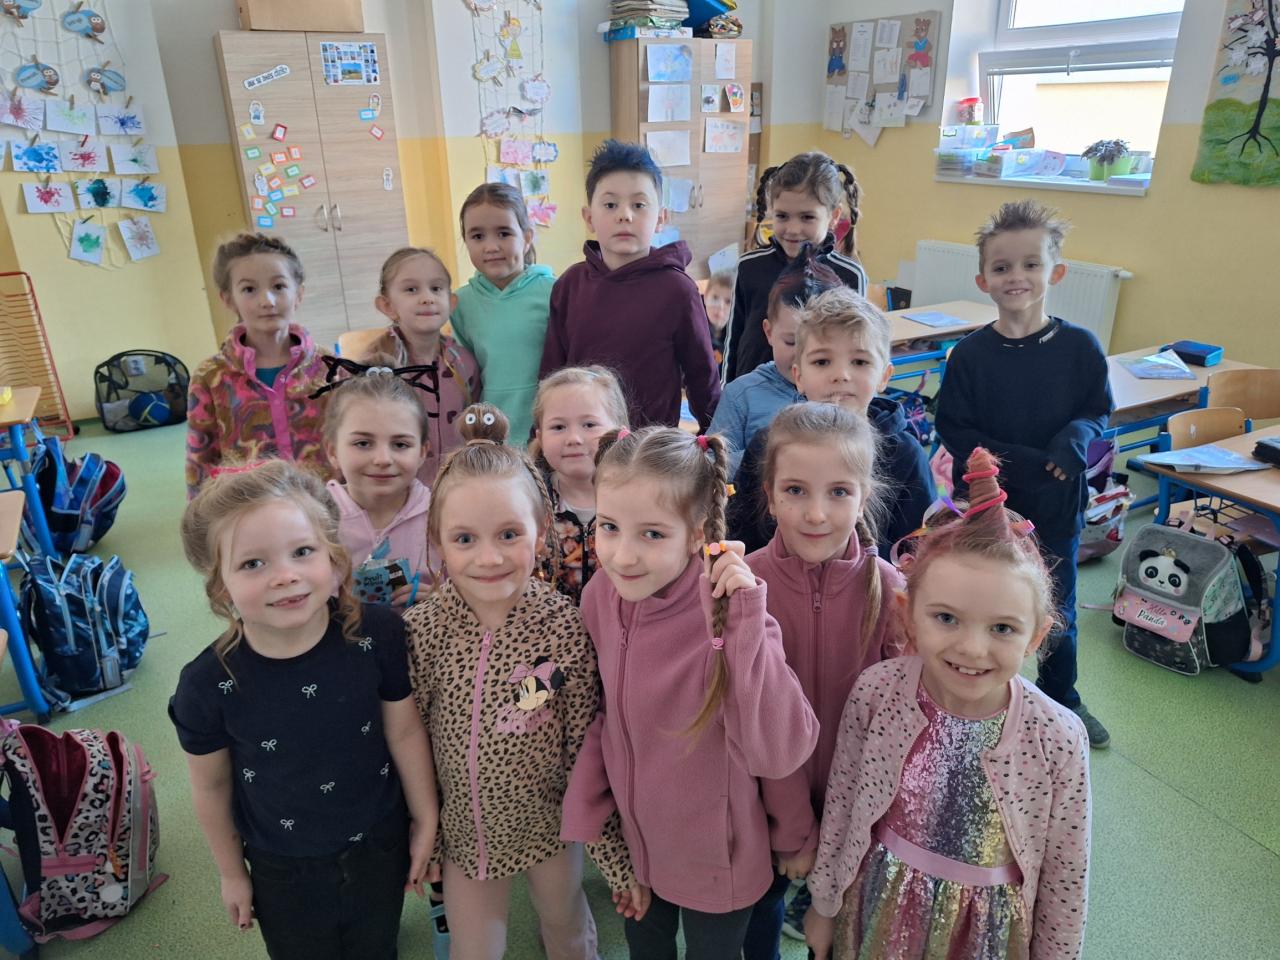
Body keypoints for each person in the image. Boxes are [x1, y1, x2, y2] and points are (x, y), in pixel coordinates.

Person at [804, 447, 1092, 960]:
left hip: (986, 939)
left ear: (1036, 636)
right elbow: (843, 806)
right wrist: (824, 905)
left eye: (1002, 628)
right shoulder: (876, 692)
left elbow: (1067, 876)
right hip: (874, 912)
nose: (972, 648)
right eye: (946, 618)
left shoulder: (1058, 737)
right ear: (907, 614)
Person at [561, 426, 818, 960]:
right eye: (609, 527)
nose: (622, 556)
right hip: (638, 849)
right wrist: (592, 812)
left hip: (719, 862)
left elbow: (780, 752)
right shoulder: (600, 597)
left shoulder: (731, 614)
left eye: (652, 534)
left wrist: (745, 622)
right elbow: (604, 714)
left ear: (696, 532)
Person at [169, 460, 438, 959]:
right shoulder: (206, 686)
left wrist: (425, 820)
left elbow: (403, 733)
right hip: (282, 866)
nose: (285, 576)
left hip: (380, 841)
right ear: (221, 585)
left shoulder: (379, 634)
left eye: (302, 552)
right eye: (253, 563)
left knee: (377, 947)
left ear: (333, 558)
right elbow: (211, 787)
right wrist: (231, 873)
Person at [402, 403, 606, 959]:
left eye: (509, 534)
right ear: (438, 541)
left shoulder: (563, 625)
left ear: (540, 535)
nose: (489, 558)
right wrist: (422, 827)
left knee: (566, 929)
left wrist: (599, 835)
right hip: (465, 835)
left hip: (549, 827)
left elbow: (582, 738)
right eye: (465, 539)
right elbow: (408, 736)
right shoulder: (423, 630)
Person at [935, 199, 1113, 748]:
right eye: (1002, 266)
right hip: (992, 506)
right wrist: (1024, 462)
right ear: (983, 280)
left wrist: (1077, 436)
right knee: (985, 603)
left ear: (1055, 272)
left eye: (1031, 264)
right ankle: (982, 698)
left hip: (1058, 503)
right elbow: (954, 428)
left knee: (1058, 608)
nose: (1017, 276)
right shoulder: (970, 355)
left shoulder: (1080, 347)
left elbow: (1097, 411)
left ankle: (1063, 700)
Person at [740, 403, 906, 958]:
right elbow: (754, 722)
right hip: (765, 810)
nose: (816, 514)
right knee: (762, 918)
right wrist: (792, 830)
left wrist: (841, 833)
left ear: (864, 496)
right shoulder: (744, 587)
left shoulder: (892, 592)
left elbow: (899, 732)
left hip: (860, 816)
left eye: (838, 492)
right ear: (769, 495)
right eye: (795, 491)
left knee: (836, 934)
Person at [728, 288, 932, 557]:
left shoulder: (906, 455)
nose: (841, 375)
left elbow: (917, 554)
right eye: (822, 361)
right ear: (798, 376)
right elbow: (742, 537)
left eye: (859, 361)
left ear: (884, 376)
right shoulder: (767, 446)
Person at [538, 139, 721, 431]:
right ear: (589, 218)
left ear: (661, 218)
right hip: (583, 445)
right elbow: (552, 373)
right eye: (610, 205)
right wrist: (542, 433)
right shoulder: (570, 285)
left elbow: (702, 375)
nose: (625, 214)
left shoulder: (678, 290)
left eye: (639, 204)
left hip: (649, 447)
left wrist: (714, 436)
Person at [186, 233, 330, 499]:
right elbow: (200, 460)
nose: (267, 301)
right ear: (228, 299)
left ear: (298, 294)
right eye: (249, 289)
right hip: (251, 508)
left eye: (279, 286)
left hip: (322, 504)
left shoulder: (329, 367)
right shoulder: (210, 376)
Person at [726, 152, 867, 382]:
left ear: (834, 216)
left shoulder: (850, 275)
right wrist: (727, 393)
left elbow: (855, 349)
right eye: (782, 216)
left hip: (818, 396)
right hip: (751, 394)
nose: (792, 229)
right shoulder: (749, 267)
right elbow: (733, 340)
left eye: (807, 217)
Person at [707, 250, 840, 479]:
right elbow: (710, 466)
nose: (803, 356)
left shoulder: (846, 392)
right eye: (791, 342)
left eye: (820, 347)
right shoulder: (741, 395)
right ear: (768, 332)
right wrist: (774, 456)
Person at [364, 246, 482, 484]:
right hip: (397, 491)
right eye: (411, 289)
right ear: (387, 306)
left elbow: (475, 427)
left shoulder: (464, 363)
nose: (427, 298)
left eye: (436, 288)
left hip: (457, 487)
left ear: (451, 302)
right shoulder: (373, 368)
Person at [321, 361, 435, 605]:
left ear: (422, 452)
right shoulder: (314, 521)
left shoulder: (444, 516)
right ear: (332, 451)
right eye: (363, 443)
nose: (383, 459)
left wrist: (444, 600)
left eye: (400, 444)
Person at [451, 183, 556, 447]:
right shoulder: (460, 303)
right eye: (477, 236)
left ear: (527, 237)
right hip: (490, 436)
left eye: (503, 233)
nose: (491, 246)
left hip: (547, 432)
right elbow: (464, 380)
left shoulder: (554, 291)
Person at [528, 365, 630, 605]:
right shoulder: (527, 500)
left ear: (620, 431)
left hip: (621, 626)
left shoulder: (639, 500)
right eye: (558, 427)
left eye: (589, 425)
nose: (574, 438)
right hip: (546, 627)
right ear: (540, 437)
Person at [703, 270, 734, 369]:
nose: (720, 306)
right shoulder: (695, 326)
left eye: (728, 301)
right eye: (715, 298)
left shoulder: (735, 334)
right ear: (706, 296)